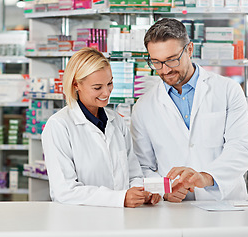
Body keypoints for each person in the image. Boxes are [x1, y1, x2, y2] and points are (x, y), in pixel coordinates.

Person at [130, 18, 248, 202]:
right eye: (156, 62)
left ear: (189, 50)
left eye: (172, 60)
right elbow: (142, 166)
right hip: (175, 209)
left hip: (225, 202)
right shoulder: (144, 106)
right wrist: (164, 190)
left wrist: (206, 176)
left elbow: (240, 149)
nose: (164, 70)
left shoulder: (228, 90)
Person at [42, 47, 161, 207]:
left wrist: (142, 193)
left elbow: (134, 175)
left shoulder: (116, 122)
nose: (106, 92)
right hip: (81, 222)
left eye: (110, 83)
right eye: (97, 87)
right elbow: (64, 191)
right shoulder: (59, 126)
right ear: (76, 85)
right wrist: (120, 198)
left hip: (122, 219)